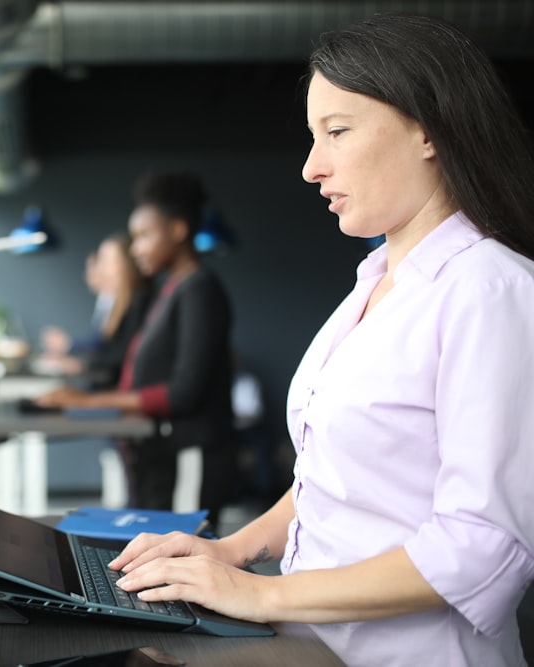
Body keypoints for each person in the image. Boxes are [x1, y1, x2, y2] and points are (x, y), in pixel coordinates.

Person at [107, 14, 534, 667]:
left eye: (337, 132)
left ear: (428, 129)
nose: (311, 167)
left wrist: (259, 594)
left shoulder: (491, 292)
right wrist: (233, 549)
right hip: (314, 634)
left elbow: (482, 546)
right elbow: (328, 476)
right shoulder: (374, 281)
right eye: (313, 137)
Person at [37, 168, 237, 533]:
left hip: (192, 455)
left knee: (181, 563)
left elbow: (183, 393)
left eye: (144, 235)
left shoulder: (199, 290)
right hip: (163, 454)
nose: (136, 248)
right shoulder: (173, 289)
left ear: (178, 230)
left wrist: (86, 402)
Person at [39, 232, 153, 388]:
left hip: (118, 393)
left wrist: (80, 364)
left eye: (108, 262)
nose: (101, 270)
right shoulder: (119, 303)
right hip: (109, 388)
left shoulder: (139, 303)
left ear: (127, 263)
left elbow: (122, 358)